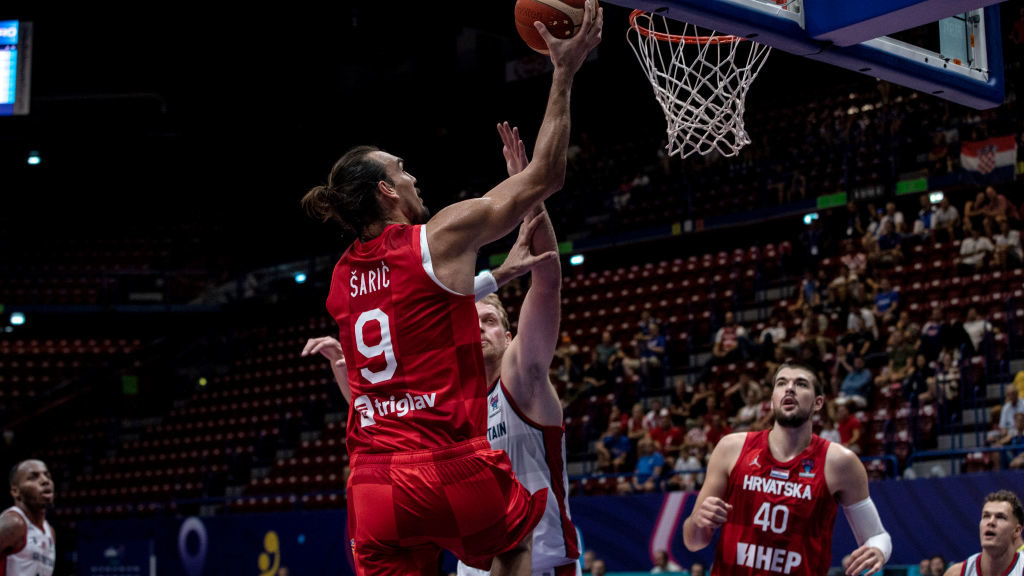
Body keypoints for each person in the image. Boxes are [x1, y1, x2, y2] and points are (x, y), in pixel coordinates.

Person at [299, 7, 603, 573]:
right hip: (443, 464)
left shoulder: (341, 278)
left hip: (371, 482)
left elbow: (417, 315)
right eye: (403, 169)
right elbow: (547, 176)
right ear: (388, 191)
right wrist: (564, 72)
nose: (414, 176)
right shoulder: (433, 238)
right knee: (516, 540)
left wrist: (497, 277)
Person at [682, 363, 892, 576]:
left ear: (818, 403)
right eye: (781, 383)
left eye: (801, 384)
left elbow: (877, 535)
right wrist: (698, 521)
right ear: (772, 401)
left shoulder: (840, 462)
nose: (789, 388)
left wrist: (878, 549)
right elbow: (694, 542)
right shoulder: (731, 448)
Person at [943, 490, 1023, 576]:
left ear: (1017, 531)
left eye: (1000, 517)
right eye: (986, 516)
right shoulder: (956, 573)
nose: (991, 522)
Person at [1, 460, 56, 576]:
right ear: (16, 491)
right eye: (33, 478)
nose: (45, 481)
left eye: (47, 476)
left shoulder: (50, 532)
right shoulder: (13, 523)